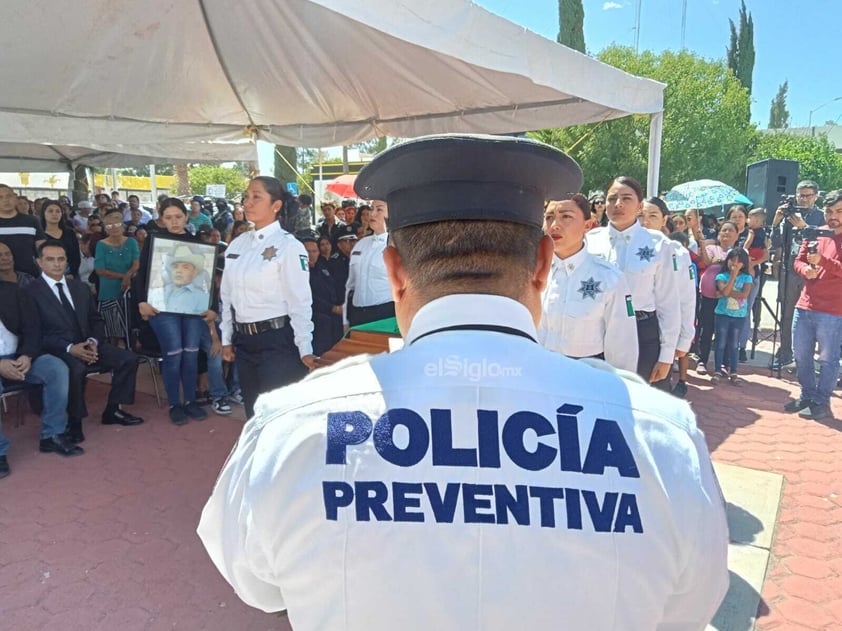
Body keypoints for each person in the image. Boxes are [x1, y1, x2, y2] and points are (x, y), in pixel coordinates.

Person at [198, 133, 728, 630]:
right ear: (543, 264)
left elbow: (255, 583)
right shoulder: (663, 437)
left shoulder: (288, 426)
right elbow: (688, 608)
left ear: (395, 271)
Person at [27, 240, 144, 442]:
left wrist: (93, 341)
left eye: (61, 259)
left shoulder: (79, 287)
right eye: (50, 259)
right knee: (76, 369)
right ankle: (74, 422)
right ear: (40, 262)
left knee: (128, 359)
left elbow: (95, 320)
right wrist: (70, 348)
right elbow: (34, 333)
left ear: (67, 262)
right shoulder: (30, 292)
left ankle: (113, 410)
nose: (57, 264)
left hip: (89, 344)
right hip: (57, 350)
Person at [219, 176, 316, 417]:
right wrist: (226, 338)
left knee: (279, 416)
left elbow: (300, 301)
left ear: (276, 205)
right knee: (254, 413)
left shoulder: (289, 246)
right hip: (245, 342)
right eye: (247, 196)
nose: (247, 203)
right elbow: (227, 296)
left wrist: (305, 346)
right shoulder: (238, 244)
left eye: (256, 197)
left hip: (277, 343)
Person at [586, 177, 680, 391]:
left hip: (642, 331)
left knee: (642, 403)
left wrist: (667, 355)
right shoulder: (590, 241)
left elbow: (669, 303)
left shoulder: (658, 244)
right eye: (612, 199)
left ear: (639, 207)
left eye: (626, 198)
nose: (618, 204)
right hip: (596, 331)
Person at [134, 198, 217, 425]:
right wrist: (141, 301)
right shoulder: (153, 241)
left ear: (186, 217)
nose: (174, 221)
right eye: (168, 217)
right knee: (174, 353)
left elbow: (207, 280)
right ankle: (175, 404)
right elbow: (142, 275)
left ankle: (190, 400)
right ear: (162, 219)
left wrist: (212, 308)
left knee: (191, 352)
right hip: (162, 307)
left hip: (192, 308)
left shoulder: (197, 244)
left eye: (178, 216)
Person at [538, 195, 637, 372]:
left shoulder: (609, 278)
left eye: (566, 216)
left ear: (587, 225)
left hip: (586, 375)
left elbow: (622, 345)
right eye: (549, 217)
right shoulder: (531, 272)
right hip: (538, 371)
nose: (555, 225)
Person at [0, 276, 80, 477]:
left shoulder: (13, 291)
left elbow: (32, 328)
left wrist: (27, 355)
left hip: (19, 356)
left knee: (56, 369)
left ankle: (52, 435)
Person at [785, 190, 842, 421]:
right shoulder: (816, 232)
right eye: (829, 211)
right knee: (801, 354)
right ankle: (808, 394)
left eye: (839, 211)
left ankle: (821, 400)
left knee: (828, 358)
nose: (833, 216)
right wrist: (805, 269)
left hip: (833, 311)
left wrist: (824, 262)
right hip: (805, 304)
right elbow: (798, 261)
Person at [640, 197, 697, 398]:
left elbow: (686, 299)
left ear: (665, 219)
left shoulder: (677, 252)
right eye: (640, 216)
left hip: (661, 330)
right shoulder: (628, 250)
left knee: (657, 391)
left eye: (652, 216)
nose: (645, 222)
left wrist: (683, 339)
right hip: (634, 330)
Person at [770, 180, 826, 369]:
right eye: (800, 195)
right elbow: (775, 244)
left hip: (811, 272)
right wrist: (776, 222)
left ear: (816, 196)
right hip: (789, 268)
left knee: (810, 315)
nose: (802, 199)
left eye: (807, 195)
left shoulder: (822, 217)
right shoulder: (789, 214)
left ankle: (805, 357)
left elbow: (825, 244)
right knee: (787, 312)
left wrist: (804, 226)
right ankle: (785, 352)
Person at [694, 221, 740, 375]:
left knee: (725, 332)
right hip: (708, 296)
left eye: (730, 230)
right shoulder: (711, 248)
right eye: (724, 230)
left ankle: (723, 364)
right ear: (718, 233)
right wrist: (701, 241)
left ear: (737, 234)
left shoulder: (738, 252)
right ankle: (702, 360)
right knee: (706, 329)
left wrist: (723, 262)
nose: (727, 233)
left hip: (727, 298)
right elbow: (707, 261)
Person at [344, 199, 393, 327]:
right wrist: (344, 319)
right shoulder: (361, 245)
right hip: (358, 314)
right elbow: (349, 286)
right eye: (372, 209)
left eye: (379, 209)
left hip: (385, 315)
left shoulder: (399, 246)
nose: (372, 214)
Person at [94, 209, 140, 346]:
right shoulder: (101, 245)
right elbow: (100, 270)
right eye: (109, 226)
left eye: (116, 224)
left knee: (129, 328)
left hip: (129, 291)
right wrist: (124, 276)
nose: (113, 228)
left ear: (123, 226)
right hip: (108, 292)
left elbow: (136, 263)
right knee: (112, 332)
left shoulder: (131, 242)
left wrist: (128, 276)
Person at [712, 248, 753, 385]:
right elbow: (724, 291)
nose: (734, 264)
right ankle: (718, 370)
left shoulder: (747, 278)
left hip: (739, 316)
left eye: (738, 262)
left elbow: (744, 295)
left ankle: (734, 371)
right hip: (722, 314)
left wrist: (726, 293)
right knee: (720, 343)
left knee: (734, 344)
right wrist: (733, 277)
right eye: (732, 260)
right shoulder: (721, 276)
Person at [300, 234, 343, 355]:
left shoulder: (322, 268)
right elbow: (309, 297)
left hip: (333, 316)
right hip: (316, 317)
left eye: (314, 251)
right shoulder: (299, 273)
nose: (311, 254)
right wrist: (331, 308)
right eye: (307, 251)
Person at [0, 183, 46, 277]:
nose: (5, 200)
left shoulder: (31, 221)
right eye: (0, 197)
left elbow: (42, 249)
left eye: (9, 196)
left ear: (15, 198)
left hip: (29, 276)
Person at [39, 199, 81, 279]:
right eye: (50, 211)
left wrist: (72, 273)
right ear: (43, 213)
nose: (54, 214)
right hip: (47, 276)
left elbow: (76, 255)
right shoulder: (39, 234)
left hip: (70, 275)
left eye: (58, 211)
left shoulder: (69, 232)